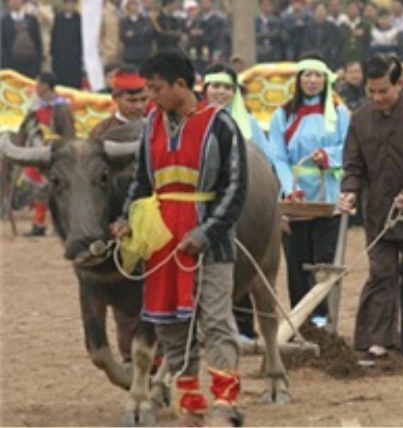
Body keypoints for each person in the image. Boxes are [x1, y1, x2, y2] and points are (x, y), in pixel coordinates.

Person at [110, 50, 248, 426]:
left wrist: (204, 233)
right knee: (171, 325)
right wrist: (125, 218)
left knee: (216, 321)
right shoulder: (153, 122)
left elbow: (235, 189)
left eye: (155, 89)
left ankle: (226, 404)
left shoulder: (220, 124)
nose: (149, 98)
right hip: (161, 241)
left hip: (210, 243)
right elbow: (141, 180)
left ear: (181, 85)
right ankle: (191, 403)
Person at [339, 54, 403, 375]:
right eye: (371, 91)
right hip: (378, 215)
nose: (377, 98)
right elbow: (353, 166)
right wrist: (350, 190)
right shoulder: (360, 119)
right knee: (382, 274)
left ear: (400, 83)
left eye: (384, 90)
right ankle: (376, 341)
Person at [268, 56, 350, 328]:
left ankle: (321, 315)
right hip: (296, 196)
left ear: (325, 79)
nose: (312, 81)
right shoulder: (283, 114)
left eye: (317, 75)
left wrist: (328, 155)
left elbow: (350, 147)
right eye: (307, 75)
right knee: (297, 258)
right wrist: (289, 187)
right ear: (298, 79)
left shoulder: (339, 112)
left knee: (324, 259)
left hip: (328, 194)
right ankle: (299, 318)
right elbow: (278, 155)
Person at [202, 62, 272, 343]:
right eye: (215, 86)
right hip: (205, 205)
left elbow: (266, 163)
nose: (221, 92)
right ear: (205, 89)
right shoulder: (194, 121)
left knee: (246, 262)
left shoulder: (249, 124)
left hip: (247, 203)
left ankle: (243, 328)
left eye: (227, 88)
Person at [16, 71, 75, 237]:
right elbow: (25, 127)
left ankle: (62, 225)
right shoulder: (36, 106)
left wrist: (65, 152)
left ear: (45, 86)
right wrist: (20, 146)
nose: (36, 87)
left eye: (38, 83)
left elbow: (69, 133)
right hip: (39, 152)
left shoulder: (62, 107)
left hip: (57, 153)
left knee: (59, 191)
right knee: (39, 190)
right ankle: (39, 224)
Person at [89, 64, 149, 142]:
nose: (139, 106)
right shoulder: (101, 132)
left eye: (144, 100)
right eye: (132, 101)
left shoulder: (156, 127)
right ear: (116, 98)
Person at [1, 0, 43, 78]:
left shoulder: (32, 20)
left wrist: (38, 62)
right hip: (13, 63)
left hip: (31, 62)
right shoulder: (5, 22)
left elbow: (38, 42)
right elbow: (4, 44)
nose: (15, 2)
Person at [50, 0, 82, 89]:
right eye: (68, 3)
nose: (70, 6)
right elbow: (54, 37)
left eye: (72, 3)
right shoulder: (58, 18)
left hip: (74, 60)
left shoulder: (79, 19)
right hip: (60, 59)